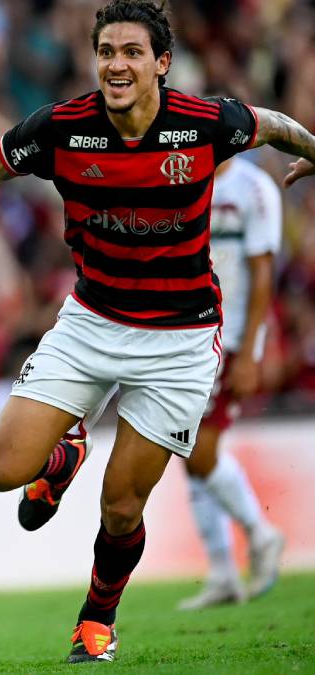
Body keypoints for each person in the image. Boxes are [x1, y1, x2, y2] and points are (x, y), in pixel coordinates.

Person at [0, 0, 315, 663]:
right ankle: (63, 454)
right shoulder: (62, 129)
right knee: (2, 471)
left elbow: (275, 125)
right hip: (90, 322)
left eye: (131, 52)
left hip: (179, 340)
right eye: (106, 52)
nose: (115, 64)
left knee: (122, 508)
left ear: (161, 64)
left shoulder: (205, 123)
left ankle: (97, 620)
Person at [178, 156, 286, 610]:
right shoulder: (180, 178)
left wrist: (251, 349)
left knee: (200, 451)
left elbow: (263, 271)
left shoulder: (254, 188)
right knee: (187, 451)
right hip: (186, 338)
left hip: (231, 337)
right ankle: (222, 572)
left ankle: (262, 534)